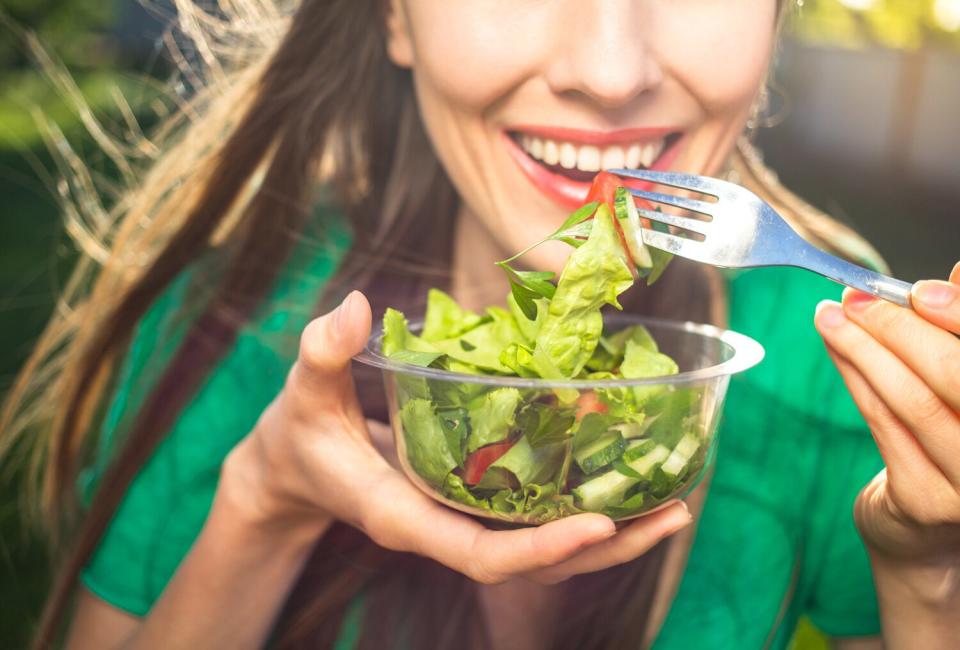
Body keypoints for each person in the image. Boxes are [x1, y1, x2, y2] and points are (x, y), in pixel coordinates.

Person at [3, 1, 958, 648]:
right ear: (394, 13)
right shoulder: (234, 332)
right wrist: (264, 503)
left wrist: (928, 570)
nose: (609, 72)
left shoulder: (841, 363)